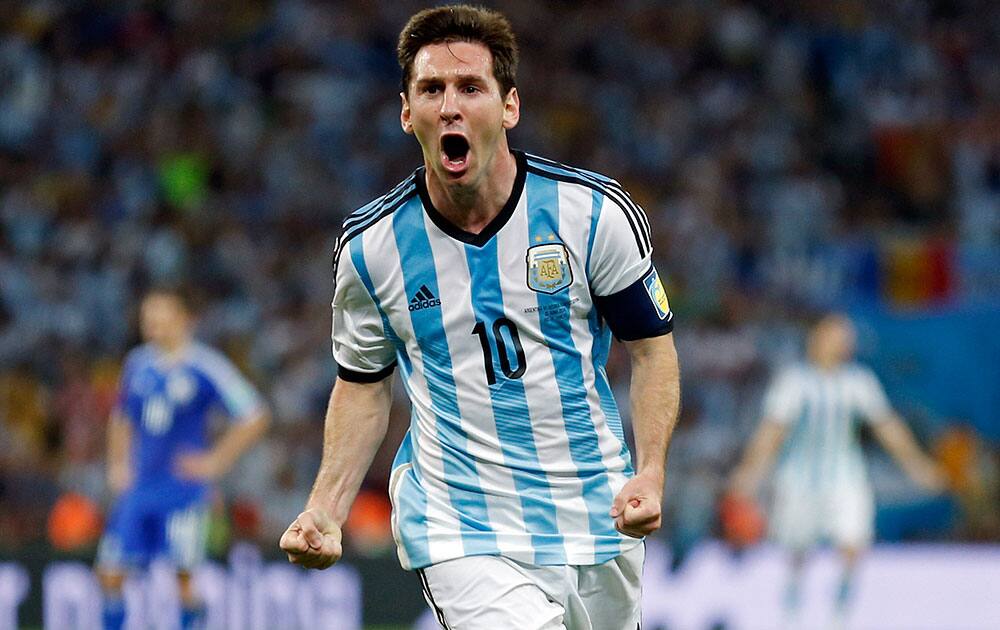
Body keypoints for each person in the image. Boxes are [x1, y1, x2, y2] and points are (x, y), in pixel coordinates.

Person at [279, 5, 681, 629]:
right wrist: (326, 506)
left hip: (597, 514)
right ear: (407, 112)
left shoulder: (591, 214)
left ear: (510, 107)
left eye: (470, 87)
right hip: (460, 522)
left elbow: (653, 351)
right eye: (431, 89)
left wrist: (650, 472)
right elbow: (362, 387)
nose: (450, 105)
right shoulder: (372, 249)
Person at [728, 313, 945, 626]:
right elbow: (771, 432)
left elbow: (887, 427)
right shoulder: (794, 381)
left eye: (846, 336)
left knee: (853, 541)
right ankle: (792, 610)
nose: (844, 342)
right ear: (816, 337)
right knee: (798, 550)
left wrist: (918, 465)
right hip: (799, 481)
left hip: (845, 478)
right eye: (835, 334)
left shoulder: (859, 381)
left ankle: (840, 612)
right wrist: (750, 472)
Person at [96, 288, 270, 630]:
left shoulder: (205, 365)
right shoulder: (137, 364)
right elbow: (121, 418)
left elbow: (254, 414)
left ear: (184, 319)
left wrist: (216, 461)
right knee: (110, 574)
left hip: (182, 491)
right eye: (149, 318)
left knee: (184, 580)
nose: (154, 324)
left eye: (162, 316)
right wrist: (118, 464)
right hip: (140, 487)